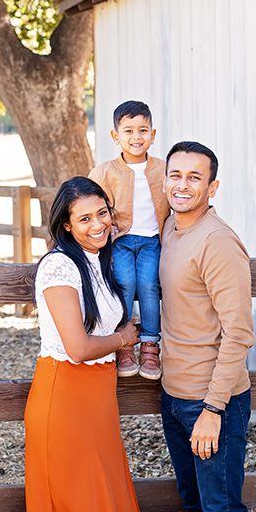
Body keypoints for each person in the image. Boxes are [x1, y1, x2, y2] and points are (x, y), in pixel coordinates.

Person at [25, 176, 172, 512]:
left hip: (96, 401)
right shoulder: (59, 266)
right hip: (63, 397)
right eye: (84, 218)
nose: (97, 224)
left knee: (90, 507)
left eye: (102, 213)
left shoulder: (103, 262)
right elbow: (78, 346)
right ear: (66, 225)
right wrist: (127, 337)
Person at [147, 141, 256, 512]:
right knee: (196, 506)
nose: (183, 184)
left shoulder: (217, 242)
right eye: (176, 174)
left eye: (195, 177)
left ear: (213, 187)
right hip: (175, 396)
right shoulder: (170, 227)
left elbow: (239, 333)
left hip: (213, 402)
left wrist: (213, 408)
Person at [89, 100, 169, 381]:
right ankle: (124, 344)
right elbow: (91, 203)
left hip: (152, 241)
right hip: (120, 241)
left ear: (153, 134)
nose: (136, 137)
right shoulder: (104, 172)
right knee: (124, 283)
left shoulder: (163, 170)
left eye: (143, 130)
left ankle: (150, 346)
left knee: (148, 285)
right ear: (116, 136)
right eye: (129, 131)